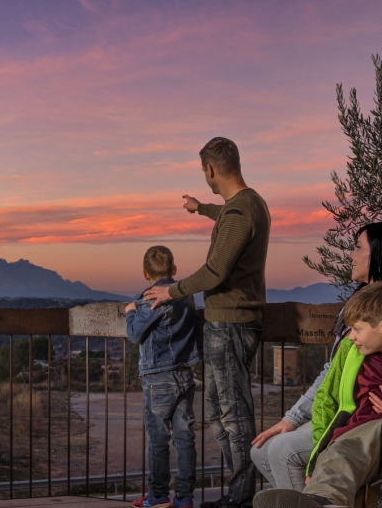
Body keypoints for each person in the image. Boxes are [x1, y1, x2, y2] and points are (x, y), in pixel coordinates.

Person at [250, 219, 382, 494]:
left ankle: (317, 499)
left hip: (380, 424)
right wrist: (292, 418)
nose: (350, 255)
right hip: (345, 413)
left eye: (358, 247)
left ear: (381, 255)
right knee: (260, 450)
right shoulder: (357, 305)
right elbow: (333, 371)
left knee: (281, 451)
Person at [253, 281, 382, 508]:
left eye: (357, 329)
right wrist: (316, 458)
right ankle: (323, 500)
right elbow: (326, 401)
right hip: (358, 442)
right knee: (340, 452)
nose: (351, 337)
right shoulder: (351, 353)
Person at [145, 137, 271, 508]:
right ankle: (238, 492)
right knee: (217, 411)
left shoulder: (240, 211)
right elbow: (227, 216)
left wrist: (171, 291)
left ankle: (241, 498)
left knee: (233, 414)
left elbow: (215, 271)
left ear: (210, 170)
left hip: (231, 324)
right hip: (226, 324)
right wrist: (201, 208)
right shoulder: (247, 205)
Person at [126, 246, 200, 508]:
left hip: (158, 376)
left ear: (145, 273)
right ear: (174, 269)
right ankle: (184, 497)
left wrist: (131, 311)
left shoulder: (150, 299)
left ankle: (158, 495)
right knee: (184, 437)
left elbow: (135, 334)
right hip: (184, 373)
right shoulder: (186, 296)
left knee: (158, 440)